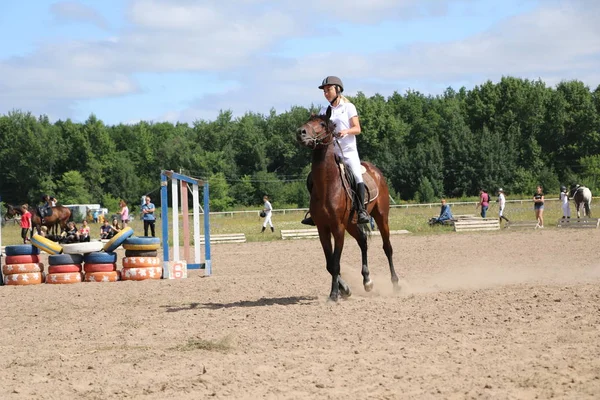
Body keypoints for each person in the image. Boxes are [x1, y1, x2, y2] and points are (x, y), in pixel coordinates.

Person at [301, 75, 370, 226]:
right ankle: (314, 212)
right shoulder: (323, 110)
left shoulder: (348, 107)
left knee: (357, 176)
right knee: (313, 177)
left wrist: (346, 131)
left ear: (338, 90)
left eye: (328, 90)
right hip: (331, 152)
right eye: (324, 91)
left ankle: (361, 211)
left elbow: (357, 128)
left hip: (348, 150)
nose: (326, 93)